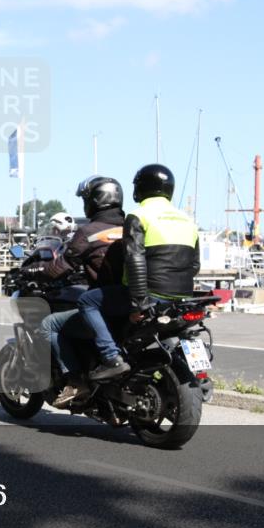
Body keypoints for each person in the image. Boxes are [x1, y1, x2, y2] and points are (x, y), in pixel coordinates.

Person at [77, 164, 200, 384]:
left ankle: (111, 358)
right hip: (182, 297)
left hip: (149, 295)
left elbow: (134, 261)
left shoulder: (138, 215)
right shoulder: (187, 220)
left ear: (140, 188)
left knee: (87, 301)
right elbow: (195, 265)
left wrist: (138, 304)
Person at [22, 176, 126, 408]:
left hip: (107, 301)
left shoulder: (89, 231)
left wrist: (33, 271)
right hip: (133, 300)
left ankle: (75, 380)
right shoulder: (130, 226)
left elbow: (59, 267)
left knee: (50, 324)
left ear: (95, 201)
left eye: (86, 199)